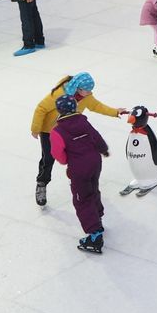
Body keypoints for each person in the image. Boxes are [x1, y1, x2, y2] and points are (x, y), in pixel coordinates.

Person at [31, 71, 125, 207]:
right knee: (48, 159)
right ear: (78, 88)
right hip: (49, 132)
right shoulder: (59, 94)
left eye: (91, 90)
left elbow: (97, 106)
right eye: (87, 90)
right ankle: (42, 183)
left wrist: (115, 111)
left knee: (75, 157)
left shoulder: (86, 97)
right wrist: (36, 128)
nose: (90, 93)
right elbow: (41, 109)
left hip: (69, 131)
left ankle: (76, 180)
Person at [49, 96, 110, 254]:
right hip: (95, 162)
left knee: (82, 199)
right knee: (93, 188)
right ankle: (98, 218)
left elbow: (57, 153)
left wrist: (66, 161)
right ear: (75, 107)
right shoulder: (83, 121)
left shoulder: (57, 131)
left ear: (58, 110)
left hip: (78, 168)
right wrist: (103, 149)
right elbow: (96, 137)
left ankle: (95, 236)